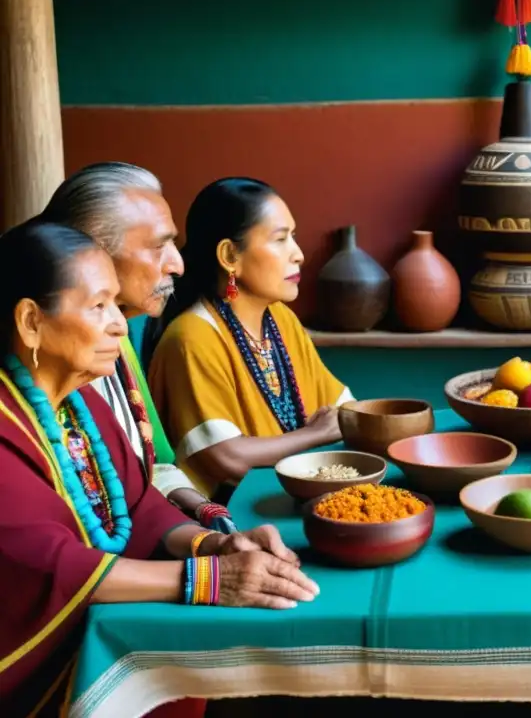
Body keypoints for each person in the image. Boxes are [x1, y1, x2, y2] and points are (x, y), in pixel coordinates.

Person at [0, 221, 321, 717]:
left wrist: (213, 543)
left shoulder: (80, 403)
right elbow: (47, 566)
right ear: (30, 322)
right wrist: (209, 580)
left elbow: (136, 502)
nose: (118, 325)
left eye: (115, 305)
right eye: (98, 306)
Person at [39, 162, 235, 532]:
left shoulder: (121, 337)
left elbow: (152, 465)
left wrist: (204, 515)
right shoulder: (36, 372)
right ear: (91, 252)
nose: (177, 264)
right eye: (159, 246)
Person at [147, 177, 354, 503]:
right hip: (229, 519)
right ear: (230, 255)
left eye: (294, 237)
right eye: (280, 239)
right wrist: (313, 434)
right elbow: (226, 457)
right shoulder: (191, 338)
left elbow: (341, 410)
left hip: (291, 495)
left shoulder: (280, 319)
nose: (298, 254)